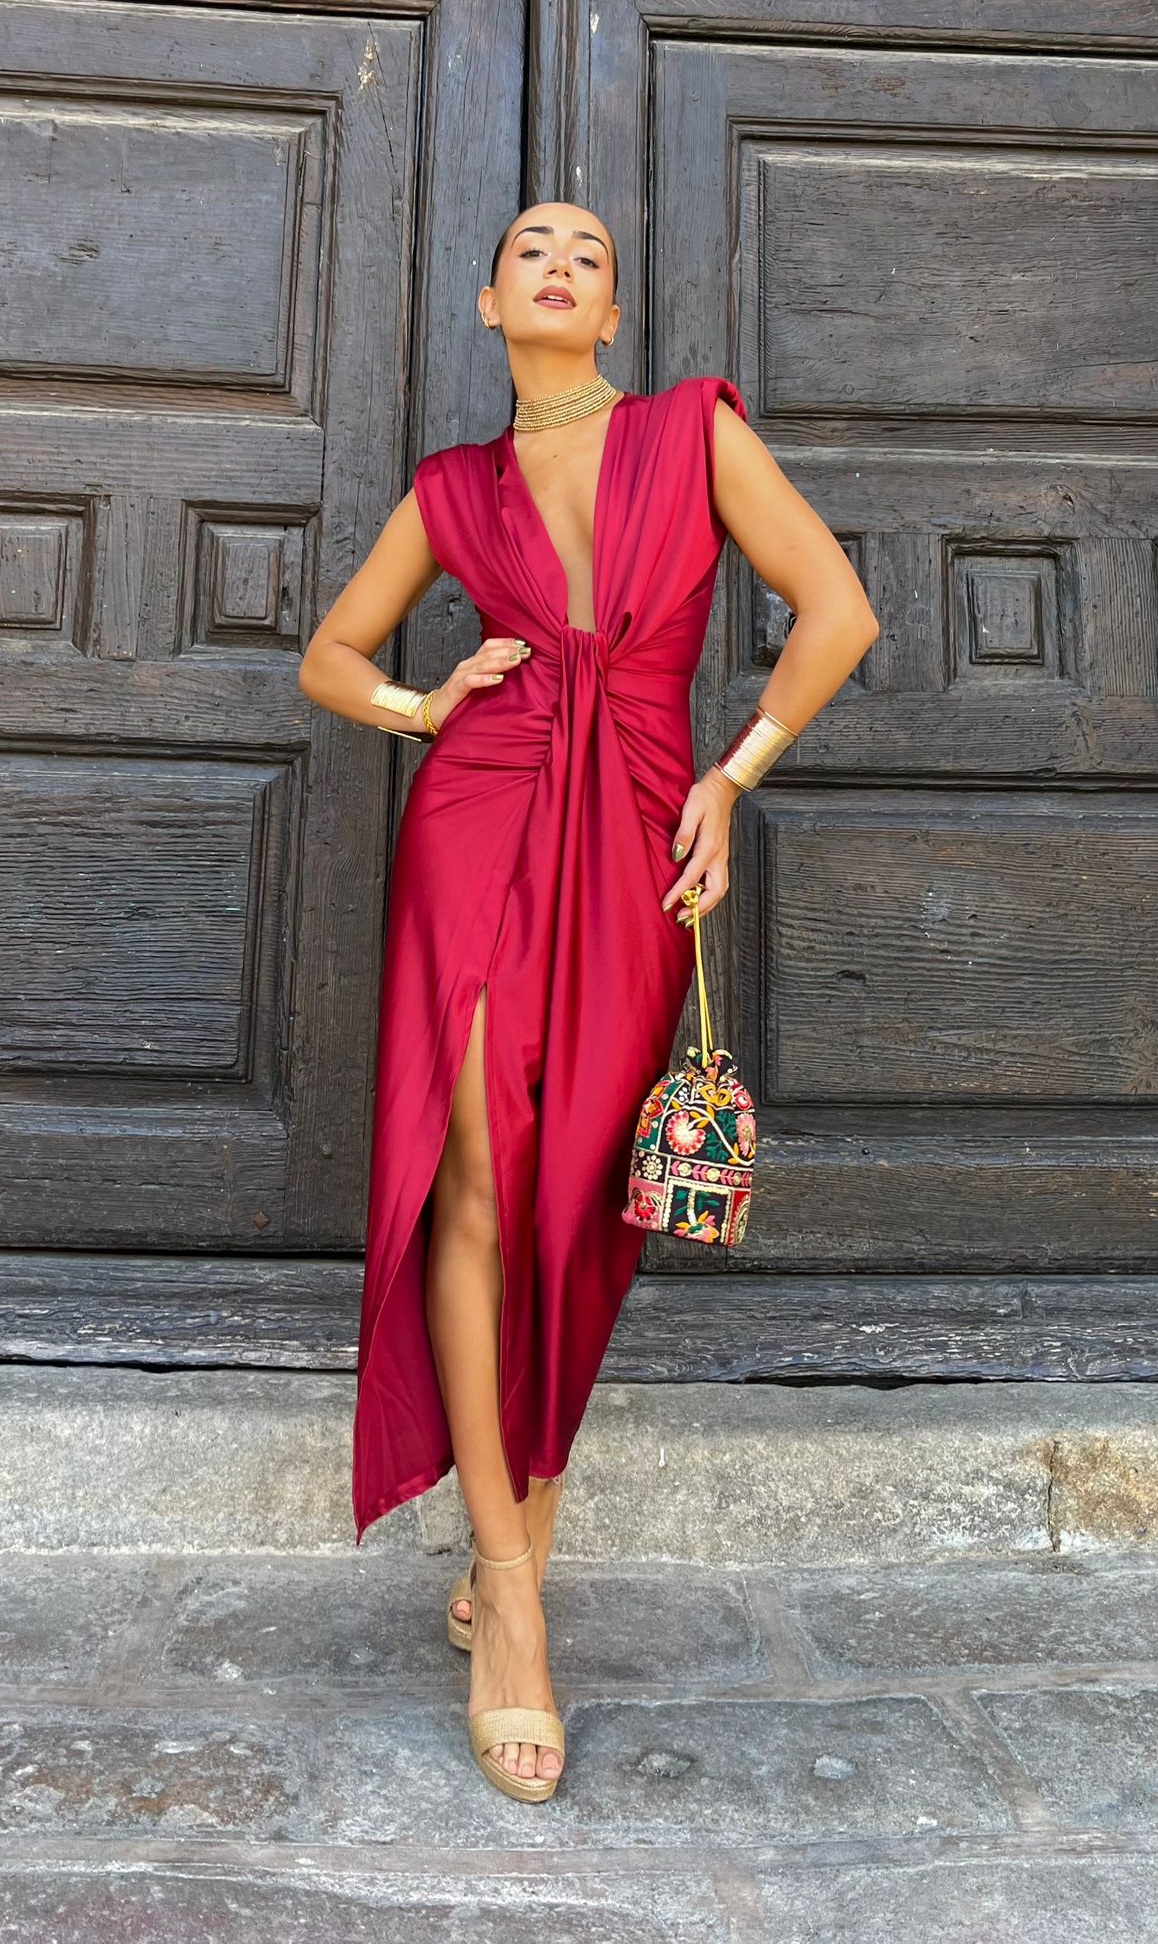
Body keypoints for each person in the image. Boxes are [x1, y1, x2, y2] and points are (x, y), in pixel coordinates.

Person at [299, 201, 879, 1802]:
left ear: (610, 312)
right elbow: (328, 658)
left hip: (632, 818)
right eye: (531, 252)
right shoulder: (451, 488)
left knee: (577, 1202)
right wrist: (426, 704)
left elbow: (837, 612)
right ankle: (508, 1595)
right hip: (478, 815)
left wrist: (729, 776)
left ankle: (516, 1538)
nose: (558, 267)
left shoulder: (691, 434)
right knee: (478, 1184)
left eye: (589, 257)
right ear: (489, 301)